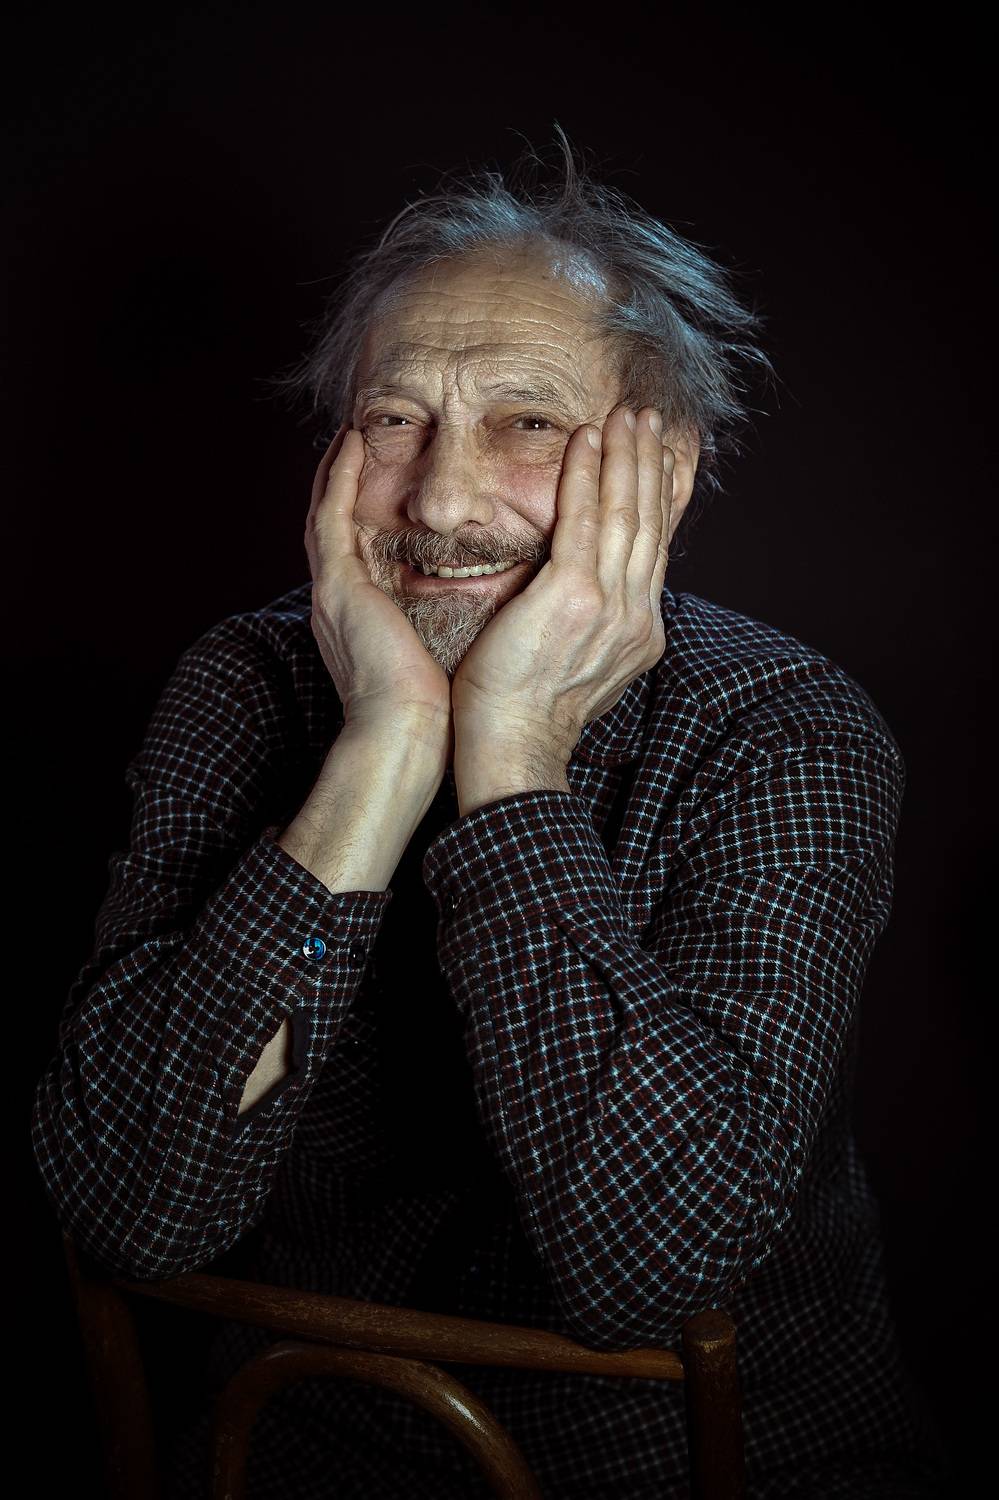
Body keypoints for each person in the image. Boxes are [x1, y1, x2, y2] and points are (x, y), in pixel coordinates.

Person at [31, 132, 950, 1497]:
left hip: (703, 1463)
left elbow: (654, 1263)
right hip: (308, 1450)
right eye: (394, 419)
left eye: (527, 422)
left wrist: (511, 755)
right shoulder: (243, 681)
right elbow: (134, 1206)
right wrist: (384, 748)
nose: (442, 499)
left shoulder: (782, 725)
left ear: (664, 473)